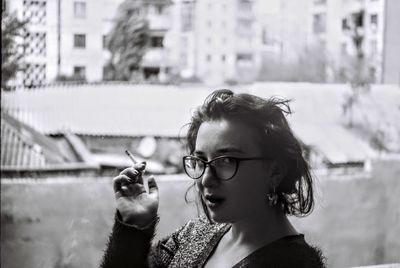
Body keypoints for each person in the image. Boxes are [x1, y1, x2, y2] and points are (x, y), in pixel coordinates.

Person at [100, 89, 326, 268]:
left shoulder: (297, 264)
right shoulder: (194, 236)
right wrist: (134, 226)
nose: (206, 180)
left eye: (226, 161)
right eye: (200, 161)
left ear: (275, 171)